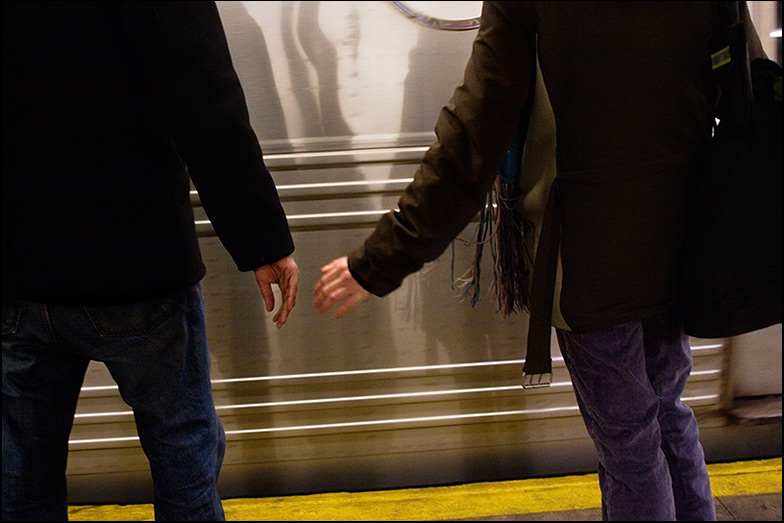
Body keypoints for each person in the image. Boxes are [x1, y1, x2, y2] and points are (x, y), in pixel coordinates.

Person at [313, 2, 768, 520]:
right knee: (666, 413)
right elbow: (746, 82)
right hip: (684, 238)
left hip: (589, 259)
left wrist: (382, 259)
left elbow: (473, 133)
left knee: (629, 445)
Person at [2, 2, 299, 521]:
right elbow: (207, 105)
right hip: (138, 266)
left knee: (19, 472)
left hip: (19, 269)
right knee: (181, 450)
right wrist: (262, 241)